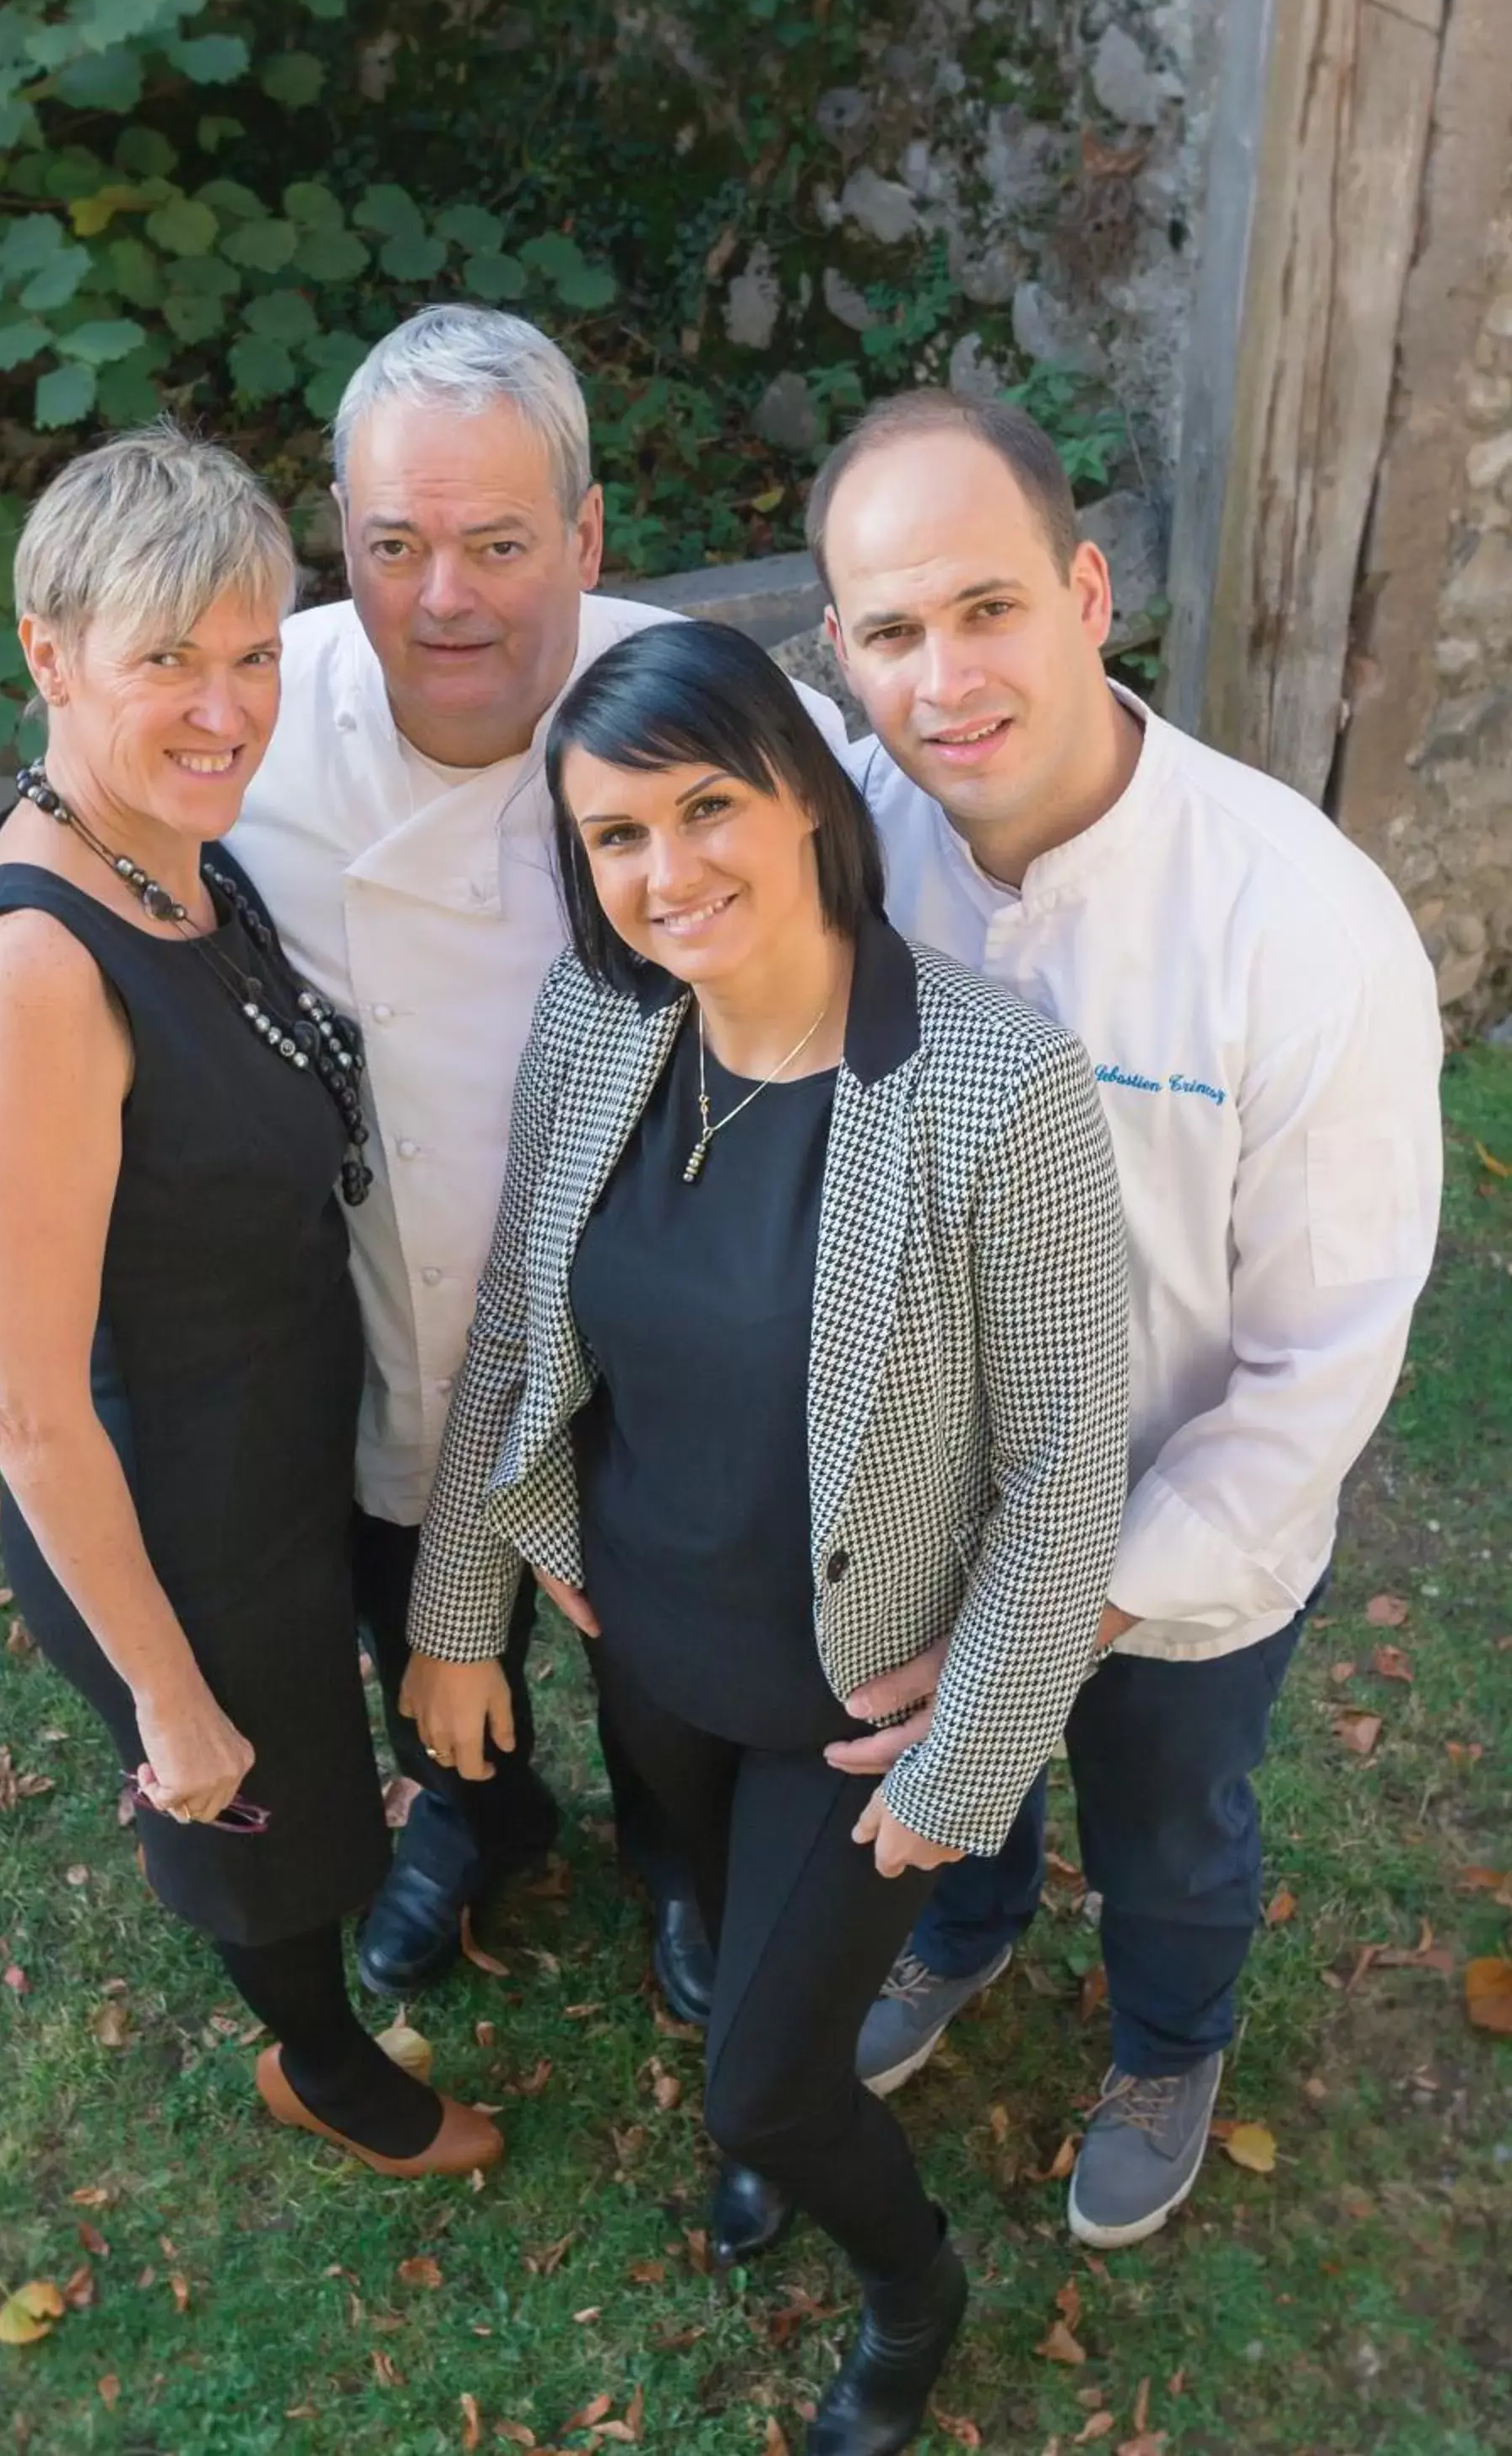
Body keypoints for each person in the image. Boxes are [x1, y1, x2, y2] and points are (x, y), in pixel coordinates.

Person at [399, 619, 1131, 2456]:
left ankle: (909, 2289)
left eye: (706, 806)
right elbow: (516, 1328)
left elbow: (1062, 1465)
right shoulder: (599, 1021)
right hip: (642, 1641)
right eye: (614, 836)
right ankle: (761, 2134)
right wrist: (461, 1611)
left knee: (769, 2082)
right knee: (706, 1933)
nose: (665, 873)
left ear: (805, 796)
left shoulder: (993, 1085)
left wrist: (968, 1756)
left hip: (861, 1695)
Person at [805, 389, 1443, 2248]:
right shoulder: (843, 852)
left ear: (1087, 593)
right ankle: (965, 1928)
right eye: (894, 632)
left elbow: (1315, 1367)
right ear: (838, 654)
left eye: (986, 607)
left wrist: (1069, 1609)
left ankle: (1170, 2037)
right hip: (935, 1499)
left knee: (1171, 1836)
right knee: (948, 1773)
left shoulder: (1297, 924)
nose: (946, 678)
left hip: (1179, 1555)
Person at [230, 305, 852, 2020]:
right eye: (395, 545)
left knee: (664, 1634)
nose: (445, 601)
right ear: (338, 543)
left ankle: (678, 1860)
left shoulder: (694, 711)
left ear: (584, 537)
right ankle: (478, 1816)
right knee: (405, 1589)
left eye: (500, 544)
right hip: (386, 1289)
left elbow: (888, 848)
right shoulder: (253, 736)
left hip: (653, 1315)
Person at [0, 425, 500, 2186]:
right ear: (50, 657)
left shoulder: (178, 853)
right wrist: (164, 1693)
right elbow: (21, 1407)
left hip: (273, 1435)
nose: (227, 706)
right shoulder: (29, 970)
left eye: (254, 655)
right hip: (164, 1499)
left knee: (317, 1752)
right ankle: (323, 2062)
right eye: (168, 658)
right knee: (248, 1795)